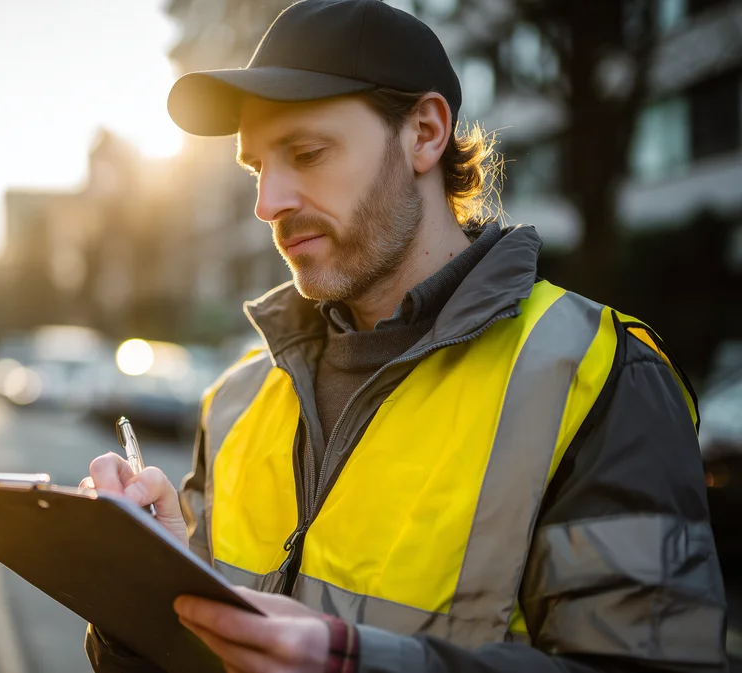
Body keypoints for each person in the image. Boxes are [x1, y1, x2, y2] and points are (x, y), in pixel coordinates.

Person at [81, 1, 727, 671]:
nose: (267, 203)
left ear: (424, 134)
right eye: (257, 169)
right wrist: (144, 589)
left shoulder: (598, 377)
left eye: (306, 152)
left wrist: (357, 662)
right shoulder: (237, 397)